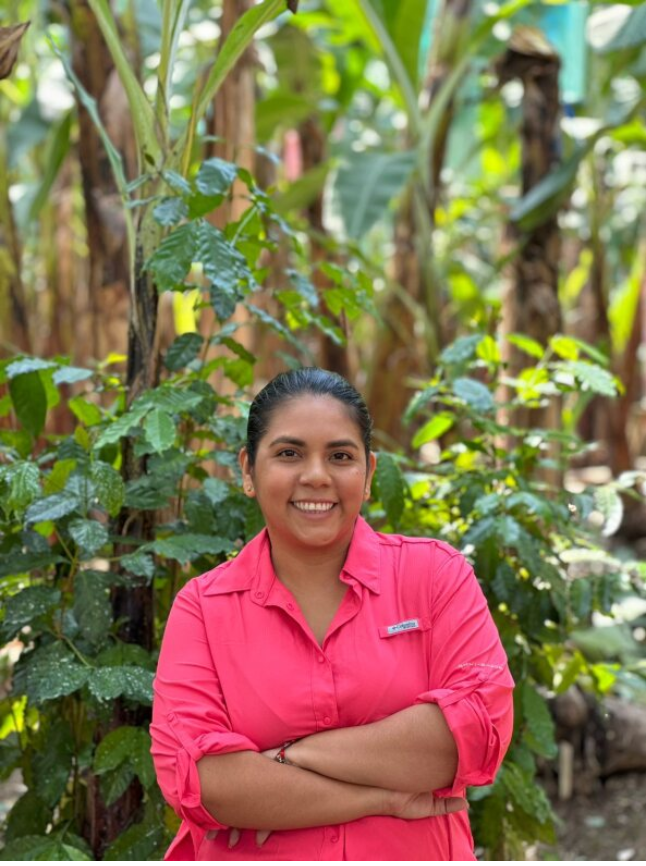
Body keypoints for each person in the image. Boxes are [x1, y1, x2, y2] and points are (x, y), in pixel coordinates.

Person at [151, 368, 514, 861]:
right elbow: (203, 781)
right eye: (289, 453)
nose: (317, 475)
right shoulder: (203, 608)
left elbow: (474, 732)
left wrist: (281, 760)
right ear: (247, 471)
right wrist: (384, 795)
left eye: (340, 456)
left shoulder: (434, 576)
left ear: (367, 474)